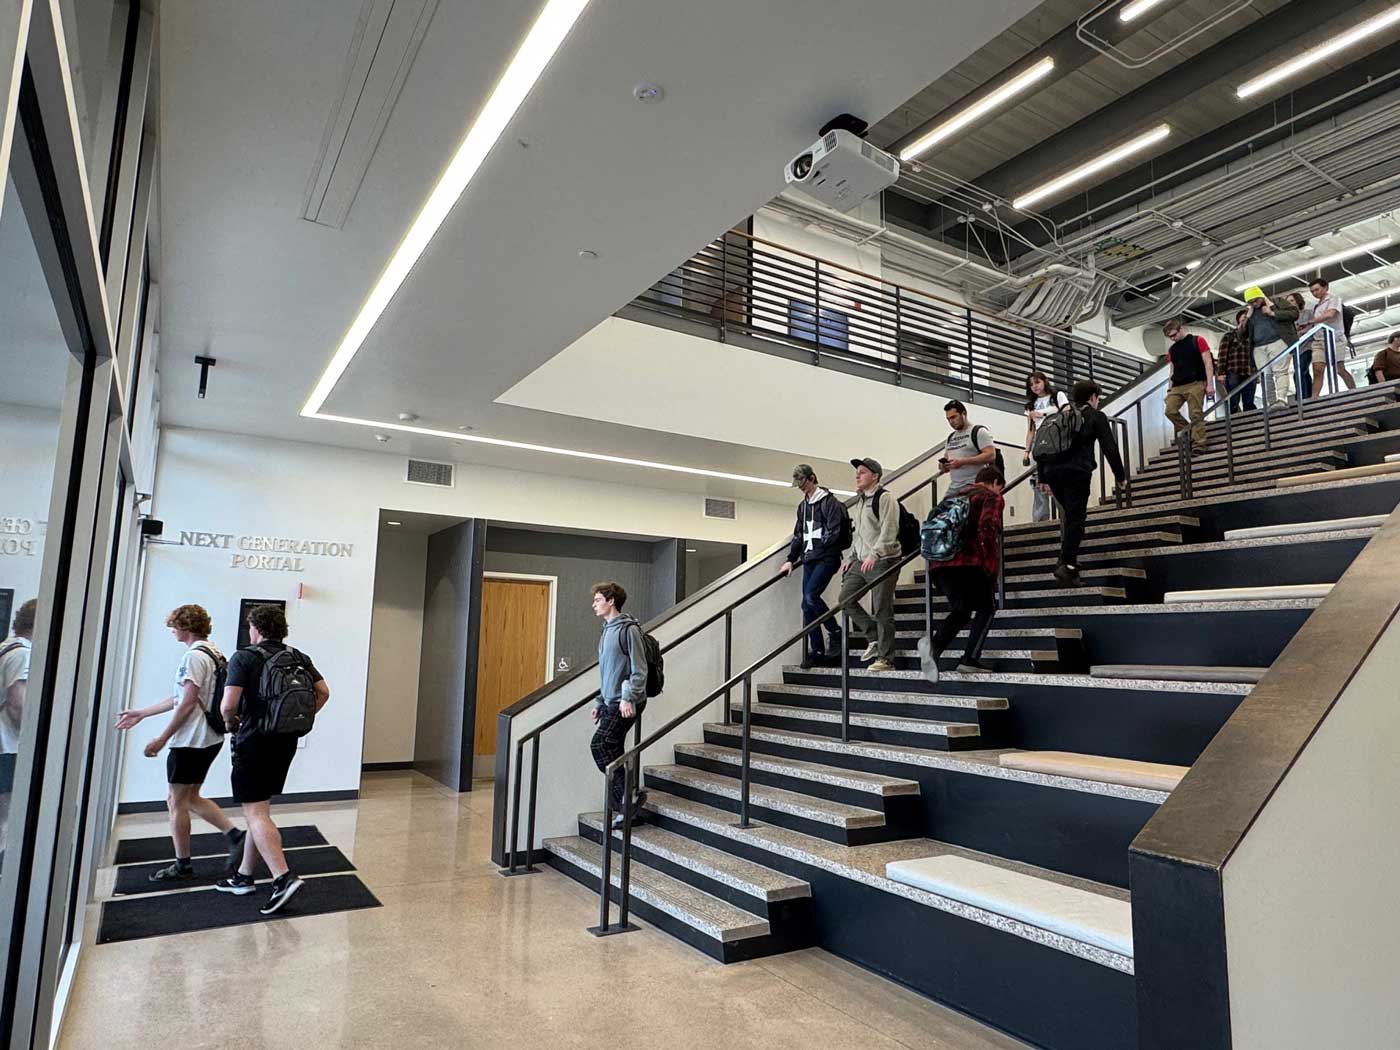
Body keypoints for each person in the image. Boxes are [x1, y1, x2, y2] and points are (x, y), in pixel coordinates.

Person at [114, 604, 245, 881]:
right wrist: (142, 713)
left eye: (174, 625)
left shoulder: (193, 657)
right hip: (209, 737)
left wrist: (161, 739)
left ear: (185, 627)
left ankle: (183, 864)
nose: (172, 630)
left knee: (175, 801)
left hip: (191, 740)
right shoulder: (213, 652)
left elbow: (186, 704)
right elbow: (181, 698)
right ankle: (235, 835)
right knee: (190, 797)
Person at [214, 604, 329, 914]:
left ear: (256, 628)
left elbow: (228, 705)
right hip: (285, 742)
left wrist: (231, 724)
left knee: (255, 812)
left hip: (253, 741)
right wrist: (295, 718)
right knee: (260, 808)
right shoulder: (298, 656)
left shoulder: (244, 656)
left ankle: (283, 877)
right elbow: (323, 692)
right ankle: (244, 877)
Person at [918, 467, 1006, 682]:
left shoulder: (951, 497)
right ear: (995, 482)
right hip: (969, 561)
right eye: (1000, 488)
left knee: (962, 610)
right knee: (987, 607)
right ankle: (970, 659)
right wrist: (990, 564)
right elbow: (987, 526)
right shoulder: (990, 496)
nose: (1000, 492)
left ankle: (933, 651)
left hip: (939, 564)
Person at [1038, 380, 1127, 587]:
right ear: (1093, 397)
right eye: (1098, 398)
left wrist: (1043, 477)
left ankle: (1067, 562)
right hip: (1077, 472)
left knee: (1071, 516)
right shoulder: (1095, 416)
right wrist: (1120, 476)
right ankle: (1067, 564)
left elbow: (1044, 447)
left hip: (1053, 472)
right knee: (1076, 518)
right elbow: (1110, 447)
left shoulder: (1060, 417)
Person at [588, 582, 649, 828]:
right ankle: (626, 805)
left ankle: (627, 796)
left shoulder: (629, 630)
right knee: (610, 748)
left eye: (598, 600)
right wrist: (599, 702)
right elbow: (607, 673)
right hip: (611, 702)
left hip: (626, 702)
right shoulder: (606, 632)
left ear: (611, 601)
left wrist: (628, 697)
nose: (594, 605)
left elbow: (639, 669)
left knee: (600, 744)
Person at [837, 457, 900, 673]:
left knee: (882, 608)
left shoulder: (885, 498)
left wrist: (875, 554)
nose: (857, 475)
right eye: (857, 472)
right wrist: (852, 556)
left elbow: (889, 530)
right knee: (845, 599)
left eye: (862, 472)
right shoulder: (861, 500)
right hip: (861, 560)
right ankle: (873, 635)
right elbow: (861, 534)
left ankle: (886, 658)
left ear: (875, 476)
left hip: (883, 560)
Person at [780, 464, 845, 669]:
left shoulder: (829, 502)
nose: (800, 487)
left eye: (802, 482)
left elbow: (834, 533)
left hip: (827, 557)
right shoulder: (803, 506)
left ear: (812, 478)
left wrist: (817, 550)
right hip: (809, 559)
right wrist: (791, 558)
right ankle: (817, 650)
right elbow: (798, 534)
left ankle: (835, 632)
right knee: (806, 605)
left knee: (810, 597)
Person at [0, 599, 36, 858]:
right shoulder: (22, 654)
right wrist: (35, 741)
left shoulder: (6, 647)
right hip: (8, 746)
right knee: (7, 816)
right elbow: (17, 704)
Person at [1161, 317, 1216, 454]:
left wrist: (1210, 384)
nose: (1172, 338)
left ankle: (1199, 444)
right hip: (1178, 384)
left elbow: (1208, 362)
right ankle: (1191, 432)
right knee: (1170, 411)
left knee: (1195, 413)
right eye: (1170, 337)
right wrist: (1169, 389)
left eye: (1174, 335)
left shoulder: (1197, 340)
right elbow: (1172, 370)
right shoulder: (1172, 350)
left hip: (1196, 382)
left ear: (1181, 329)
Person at [1022, 373, 1068, 522]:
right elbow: (1030, 430)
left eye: (1037, 382)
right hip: (1039, 442)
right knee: (1037, 480)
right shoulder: (1030, 405)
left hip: (1055, 438)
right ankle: (1040, 519)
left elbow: (1066, 411)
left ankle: (1065, 515)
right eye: (1032, 384)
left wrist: (1042, 413)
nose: (1035, 386)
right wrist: (1026, 451)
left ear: (1044, 381)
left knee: (1057, 477)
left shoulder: (1057, 396)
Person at [1242, 287, 1298, 406]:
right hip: (1258, 347)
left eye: (1255, 300)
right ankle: (1271, 402)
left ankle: (1282, 399)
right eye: (1251, 302)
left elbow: (1294, 313)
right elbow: (1241, 335)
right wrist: (1247, 318)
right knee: (1265, 375)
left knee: (1280, 371)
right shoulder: (1250, 313)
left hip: (1278, 341)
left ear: (1261, 297)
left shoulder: (1278, 302)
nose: (1254, 304)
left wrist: (1272, 312)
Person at [1308, 279, 1357, 396]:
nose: (1315, 293)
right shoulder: (1317, 306)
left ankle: (1354, 390)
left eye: (1317, 289)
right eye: (1312, 291)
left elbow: (1330, 314)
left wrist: (1311, 321)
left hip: (1335, 338)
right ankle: (1314, 398)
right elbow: (1316, 324)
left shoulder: (1334, 299)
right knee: (1317, 369)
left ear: (1325, 288)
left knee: (1339, 369)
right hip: (1319, 339)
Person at [939, 400, 997, 495]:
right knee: (940, 510)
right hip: (955, 486)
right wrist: (943, 466)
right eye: (948, 419)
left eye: (953, 417)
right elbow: (946, 463)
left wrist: (962, 461)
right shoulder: (950, 438)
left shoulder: (979, 431)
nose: (951, 422)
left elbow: (991, 455)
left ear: (964, 414)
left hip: (974, 484)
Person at [1217, 309, 1256, 412]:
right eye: (1243, 318)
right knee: (1233, 401)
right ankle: (1234, 422)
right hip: (1233, 371)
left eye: (1247, 319)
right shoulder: (1229, 336)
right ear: (1238, 320)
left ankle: (1251, 423)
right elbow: (1222, 355)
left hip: (1249, 371)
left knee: (1249, 401)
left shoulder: (1253, 337)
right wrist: (1221, 373)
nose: (1245, 320)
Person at [1286, 292, 1313, 400]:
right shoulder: (1288, 319)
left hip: (1307, 346)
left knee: (1299, 372)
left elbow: (1311, 327)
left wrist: (1301, 332)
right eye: (1288, 302)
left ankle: (1301, 398)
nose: (1290, 303)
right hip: (1296, 349)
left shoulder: (1307, 313)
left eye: (1292, 301)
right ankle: (1308, 396)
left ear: (1298, 301)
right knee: (1305, 373)